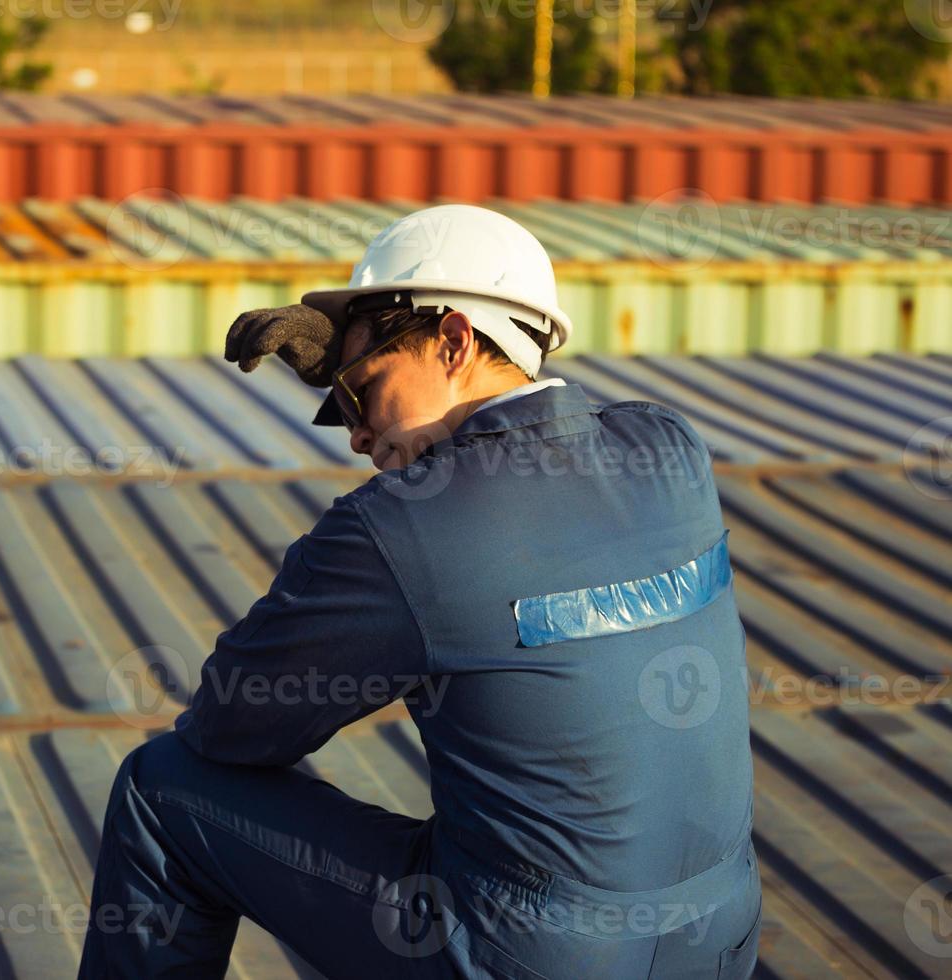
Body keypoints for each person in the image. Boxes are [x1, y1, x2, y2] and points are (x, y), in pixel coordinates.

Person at [77, 205, 761, 979]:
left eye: (359, 393)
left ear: (455, 341)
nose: (359, 436)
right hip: (720, 940)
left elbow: (230, 724)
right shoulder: (670, 449)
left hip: (529, 957)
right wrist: (364, 360)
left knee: (163, 788)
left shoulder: (398, 528)